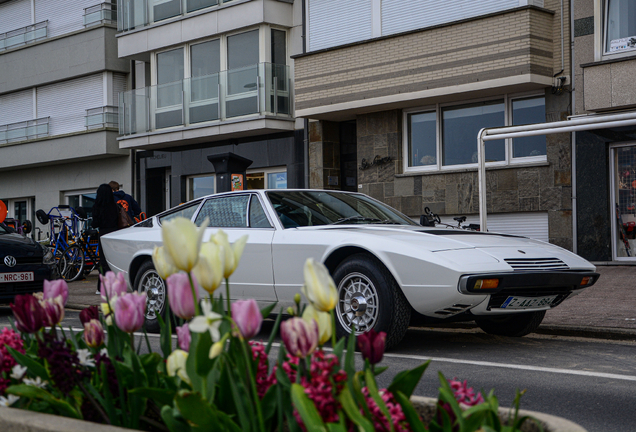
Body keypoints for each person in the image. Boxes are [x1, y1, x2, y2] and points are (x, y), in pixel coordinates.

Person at [92, 184, 119, 295]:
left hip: (103, 234)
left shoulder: (97, 206)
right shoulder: (115, 206)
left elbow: (95, 224)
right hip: (115, 234)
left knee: (103, 261)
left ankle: (102, 287)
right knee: (113, 260)